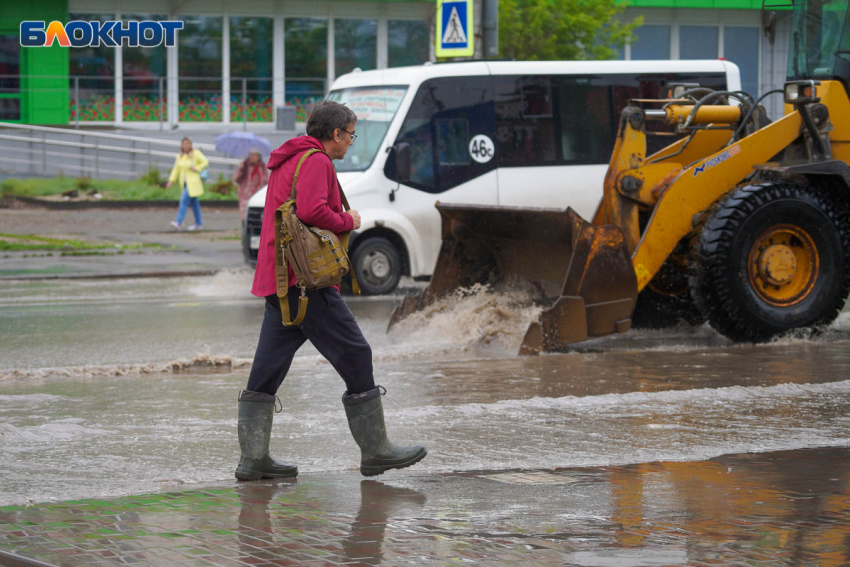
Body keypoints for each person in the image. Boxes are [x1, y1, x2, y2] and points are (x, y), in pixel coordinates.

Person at [236, 100, 426, 481]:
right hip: (307, 281)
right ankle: (376, 451)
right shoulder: (318, 160)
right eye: (350, 134)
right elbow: (311, 212)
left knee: (267, 369)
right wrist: (349, 219)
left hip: (282, 278)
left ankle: (253, 460)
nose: (351, 142)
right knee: (357, 352)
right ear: (335, 133)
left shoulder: (288, 158)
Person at [166, 137, 208, 231]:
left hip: (193, 182)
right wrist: (171, 181)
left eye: (188, 144)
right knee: (195, 204)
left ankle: (178, 222)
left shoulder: (195, 153)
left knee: (184, 201)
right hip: (184, 182)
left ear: (191, 144)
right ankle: (198, 223)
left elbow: (205, 162)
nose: (186, 146)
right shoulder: (180, 156)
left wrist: (196, 168)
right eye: (184, 144)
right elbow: (176, 169)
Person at [233, 147, 270, 223]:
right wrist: (240, 169)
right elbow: (236, 179)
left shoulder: (262, 167)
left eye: (254, 155)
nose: (251, 157)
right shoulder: (244, 166)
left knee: (257, 215)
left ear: (259, 156)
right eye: (250, 155)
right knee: (245, 215)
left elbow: (267, 180)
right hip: (245, 194)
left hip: (258, 194)